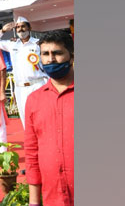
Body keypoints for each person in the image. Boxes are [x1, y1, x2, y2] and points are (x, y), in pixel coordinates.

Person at [24, 30, 74, 206]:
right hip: (54, 196)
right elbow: (32, 153)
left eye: (57, 53)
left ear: (72, 56)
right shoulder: (34, 100)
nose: (50, 59)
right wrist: (34, 201)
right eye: (45, 54)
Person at [0, 16, 48, 130]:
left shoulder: (38, 43)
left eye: (23, 26)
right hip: (20, 88)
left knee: (42, 116)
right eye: (17, 27)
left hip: (37, 84)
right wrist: (2, 31)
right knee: (25, 119)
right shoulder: (13, 44)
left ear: (29, 27)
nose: (20, 29)